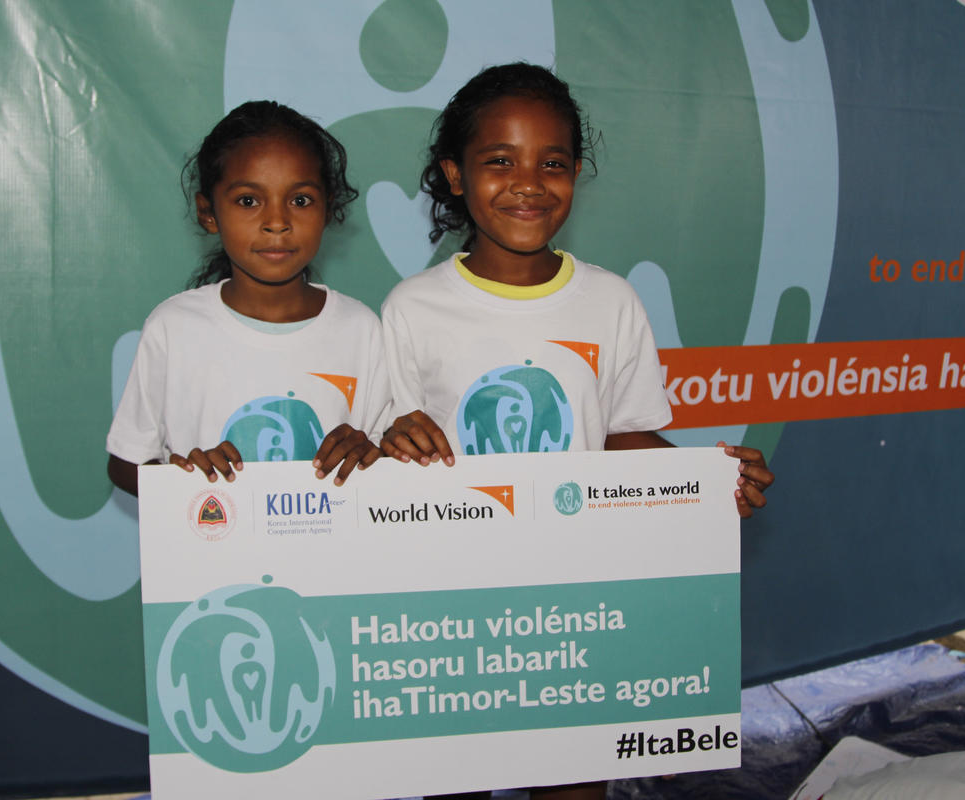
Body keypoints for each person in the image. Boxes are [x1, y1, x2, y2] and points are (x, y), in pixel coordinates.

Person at [379, 63, 774, 799]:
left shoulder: (612, 301)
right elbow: (388, 454)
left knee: (575, 788)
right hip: (453, 614)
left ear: (576, 174)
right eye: (499, 160)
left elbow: (622, 436)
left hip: (579, 609)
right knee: (452, 783)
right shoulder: (412, 308)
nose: (528, 181)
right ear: (454, 176)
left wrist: (705, 484)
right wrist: (393, 444)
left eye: (551, 162)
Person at [107, 101, 388, 495]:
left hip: (330, 556)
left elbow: (383, 459)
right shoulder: (175, 326)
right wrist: (182, 479)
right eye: (248, 201)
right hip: (211, 552)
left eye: (301, 200)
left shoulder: (361, 329)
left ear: (328, 209)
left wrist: (371, 452)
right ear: (208, 213)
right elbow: (125, 464)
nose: (277, 222)